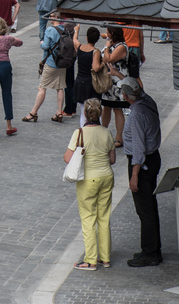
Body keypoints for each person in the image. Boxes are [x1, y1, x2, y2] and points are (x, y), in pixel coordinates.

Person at [64, 98, 116, 270]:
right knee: (104, 217)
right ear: (100, 114)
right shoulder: (107, 133)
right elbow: (112, 159)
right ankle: (105, 257)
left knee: (88, 218)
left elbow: (67, 158)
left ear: (85, 114)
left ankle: (91, 259)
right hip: (106, 177)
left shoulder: (79, 133)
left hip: (88, 179)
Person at [120, 77, 163, 266]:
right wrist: (121, 77)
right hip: (153, 159)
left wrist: (134, 176)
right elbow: (139, 90)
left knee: (145, 210)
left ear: (127, 96)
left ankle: (150, 253)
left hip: (142, 164)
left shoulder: (136, 114)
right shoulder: (147, 100)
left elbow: (138, 149)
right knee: (150, 207)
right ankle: (151, 248)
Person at [22, 20, 67, 122]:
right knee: (60, 88)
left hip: (51, 62)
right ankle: (59, 112)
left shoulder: (50, 30)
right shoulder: (65, 29)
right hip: (62, 63)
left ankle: (33, 112)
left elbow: (46, 46)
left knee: (42, 88)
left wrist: (41, 43)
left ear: (54, 18)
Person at [100, 25, 130, 148]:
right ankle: (102, 133)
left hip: (118, 82)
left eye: (108, 32)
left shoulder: (121, 47)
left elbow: (109, 59)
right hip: (108, 82)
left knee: (117, 109)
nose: (106, 34)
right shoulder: (112, 45)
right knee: (106, 107)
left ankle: (119, 137)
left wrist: (106, 47)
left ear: (112, 33)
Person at [73, 25, 102, 125]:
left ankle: (83, 131)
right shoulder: (96, 52)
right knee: (96, 110)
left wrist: (76, 30)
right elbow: (95, 68)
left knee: (83, 111)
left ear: (87, 37)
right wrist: (103, 63)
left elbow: (74, 40)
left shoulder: (80, 47)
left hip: (80, 81)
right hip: (91, 83)